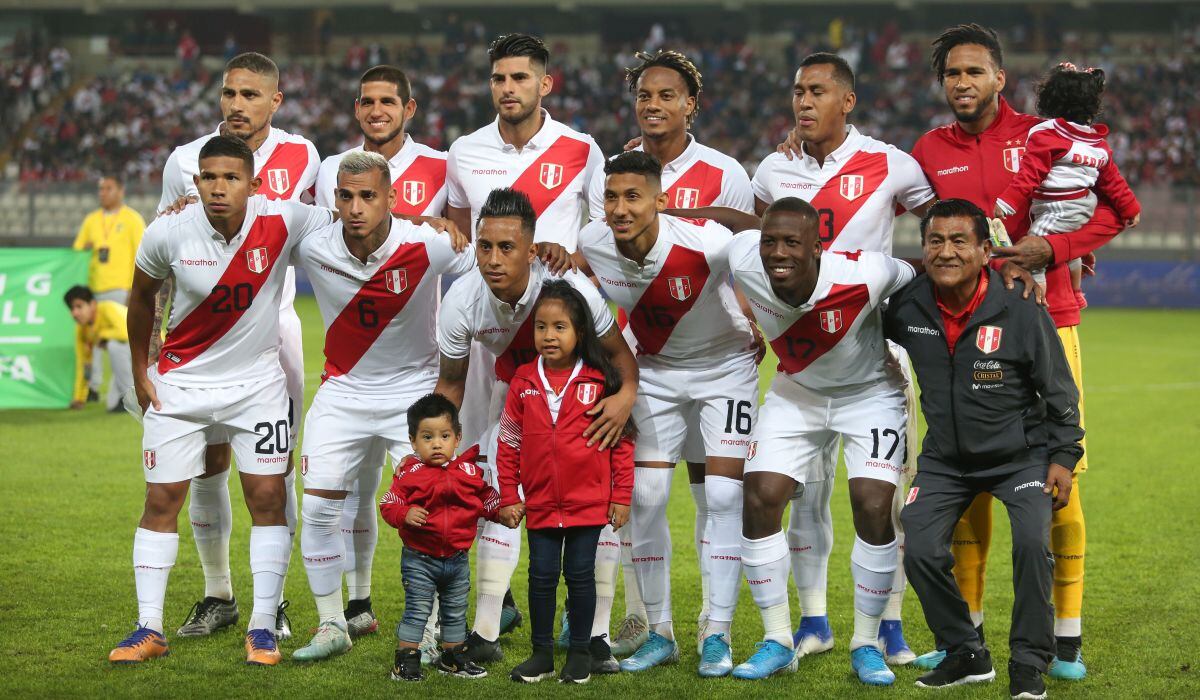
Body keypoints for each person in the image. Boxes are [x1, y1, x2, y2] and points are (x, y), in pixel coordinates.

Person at [909, 24, 1126, 679]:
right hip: (962, 335)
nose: (963, 83)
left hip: (1047, 320)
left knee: (1063, 480)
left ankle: (1066, 643)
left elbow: (1110, 212)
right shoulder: (926, 149)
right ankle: (965, 638)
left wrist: (1055, 249)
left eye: (975, 72)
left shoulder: (1043, 134)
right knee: (969, 483)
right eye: (952, 74)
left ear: (1001, 77)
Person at [110, 136, 334, 665]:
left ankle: (262, 627)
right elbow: (141, 298)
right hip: (181, 389)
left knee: (267, 499)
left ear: (255, 184)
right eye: (208, 177)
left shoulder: (285, 219)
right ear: (196, 182)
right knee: (160, 502)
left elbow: (355, 217)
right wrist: (142, 374)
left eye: (231, 177)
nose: (217, 187)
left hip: (257, 390)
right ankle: (148, 628)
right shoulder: (168, 230)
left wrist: (432, 224)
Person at [763, 51, 935, 666]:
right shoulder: (772, 170)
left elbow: (940, 222)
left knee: (881, 499)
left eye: (816, 91)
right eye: (797, 92)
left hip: (874, 356)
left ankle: (886, 625)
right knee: (805, 498)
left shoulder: (891, 164)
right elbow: (761, 256)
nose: (803, 102)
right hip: (804, 361)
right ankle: (813, 622)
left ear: (847, 101)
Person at [585, 49, 754, 657]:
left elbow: (752, 244)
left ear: (691, 105)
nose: (653, 105)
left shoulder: (722, 170)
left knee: (720, 496)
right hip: (650, 361)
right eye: (644, 97)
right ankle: (657, 629)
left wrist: (758, 319)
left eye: (666, 96)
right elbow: (596, 253)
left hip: (721, 360)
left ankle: (717, 630)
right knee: (648, 497)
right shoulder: (612, 170)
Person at [884, 199, 1083, 700]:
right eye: (935, 241)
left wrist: (1062, 458)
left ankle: (1028, 662)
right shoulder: (907, 306)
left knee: (1033, 546)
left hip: (1021, 458)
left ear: (984, 250)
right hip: (946, 460)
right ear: (923, 248)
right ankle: (966, 652)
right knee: (922, 549)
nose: (946, 252)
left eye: (958, 242)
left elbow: (1059, 390)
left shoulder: (1019, 306)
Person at [443, 33, 606, 644]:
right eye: (499, 79)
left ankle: (588, 615)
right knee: (493, 462)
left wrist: (576, 256)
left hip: (559, 326)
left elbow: (603, 232)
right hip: (491, 332)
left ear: (546, 83)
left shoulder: (581, 149)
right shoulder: (464, 151)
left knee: (574, 462)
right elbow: (463, 237)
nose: (508, 89)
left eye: (520, 78)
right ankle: (495, 604)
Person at [434, 187, 638, 667]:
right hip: (515, 398)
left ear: (531, 250)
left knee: (597, 511)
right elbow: (451, 384)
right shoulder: (462, 300)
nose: (493, 259)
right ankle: (485, 629)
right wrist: (440, 452)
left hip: (586, 406)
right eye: (485, 246)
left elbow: (619, 359)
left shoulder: (573, 287)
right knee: (499, 495)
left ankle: (595, 637)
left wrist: (623, 402)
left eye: (507, 248)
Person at [158, 51, 319, 642]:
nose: (236, 105)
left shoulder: (303, 156)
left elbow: (323, 233)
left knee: (274, 475)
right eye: (229, 93)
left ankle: (271, 603)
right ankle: (218, 592)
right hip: (200, 343)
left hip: (274, 334)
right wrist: (156, 354)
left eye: (250, 95)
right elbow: (165, 259)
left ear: (275, 101)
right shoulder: (185, 161)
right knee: (206, 465)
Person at [288, 151, 473, 662]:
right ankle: (331, 624)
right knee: (320, 508)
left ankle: (436, 627)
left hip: (413, 398)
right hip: (342, 393)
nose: (355, 207)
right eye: (345, 196)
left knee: (437, 510)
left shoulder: (429, 244)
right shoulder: (313, 243)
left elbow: (490, 272)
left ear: (392, 198)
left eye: (368, 196)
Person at [726, 198, 916, 685]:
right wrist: (673, 216)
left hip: (870, 393)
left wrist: (900, 342)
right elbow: (735, 223)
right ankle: (776, 639)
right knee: (760, 495)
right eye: (771, 241)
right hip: (797, 393)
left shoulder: (865, 274)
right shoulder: (745, 256)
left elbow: (916, 274)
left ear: (818, 247)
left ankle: (866, 642)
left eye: (792, 243)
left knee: (873, 504)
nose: (777, 253)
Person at [495, 280, 635, 684]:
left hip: (587, 505)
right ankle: (541, 655)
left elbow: (621, 445)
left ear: (579, 334)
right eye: (541, 327)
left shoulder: (599, 379)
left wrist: (620, 496)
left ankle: (579, 654)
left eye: (559, 327)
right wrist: (508, 495)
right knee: (539, 578)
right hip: (538, 504)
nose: (548, 336)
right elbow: (508, 443)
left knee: (579, 577)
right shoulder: (523, 381)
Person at [380, 393, 499, 682]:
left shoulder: (468, 472)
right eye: (427, 437)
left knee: (456, 611)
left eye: (444, 436)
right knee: (417, 610)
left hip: (457, 560)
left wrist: (503, 510)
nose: (436, 443)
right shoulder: (409, 474)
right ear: (413, 441)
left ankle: (453, 657)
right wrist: (405, 513)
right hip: (420, 558)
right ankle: (405, 661)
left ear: (457, 437)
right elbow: (388, 503)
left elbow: (486, 498)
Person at [993, 63, 1141, 288]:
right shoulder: (1098, 144)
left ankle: (1038, 304)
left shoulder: (1046, 135)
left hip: (1058, 207)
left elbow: (1030, 175)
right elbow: (1113, 182)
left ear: (1051, 100)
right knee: (1069, 252)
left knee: (1033, 250)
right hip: (1082, 206)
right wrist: (1131, 209)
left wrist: (1006, 203)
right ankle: (1077, 292)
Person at [315, 65, 449, 220]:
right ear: (357, 109)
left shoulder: (443, 166)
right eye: (367, 103)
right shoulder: (331, 168)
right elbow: (325, 236)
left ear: (409, 109)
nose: (376, 112)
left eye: (387, 102)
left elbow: (459, 237)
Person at [72, 174, 144, 401]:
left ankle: (119, 393)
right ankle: (93, 387)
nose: (103, 193)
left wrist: (135, 290)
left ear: (121, 191)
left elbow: (141, 255)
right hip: (93, 290)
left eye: (108, 188)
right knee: (92, 342)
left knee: (119, 342)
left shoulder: (132, 219)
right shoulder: (91, 220)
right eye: (101, 189)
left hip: (120, 289)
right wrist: (86, 247)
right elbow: (76, 253)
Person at [64, 285, 132, 412]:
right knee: (112, 405)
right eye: (72, 308)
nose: (75, 313)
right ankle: (130, 397)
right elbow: (84, 364)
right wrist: (79, 397)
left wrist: (102, 335)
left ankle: (131, 398)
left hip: (151, 353)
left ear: (93, 304)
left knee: (114, 346)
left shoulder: (108, 308)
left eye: (79, 306)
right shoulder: (81, 330)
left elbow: (127, 333)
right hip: (130, 361)